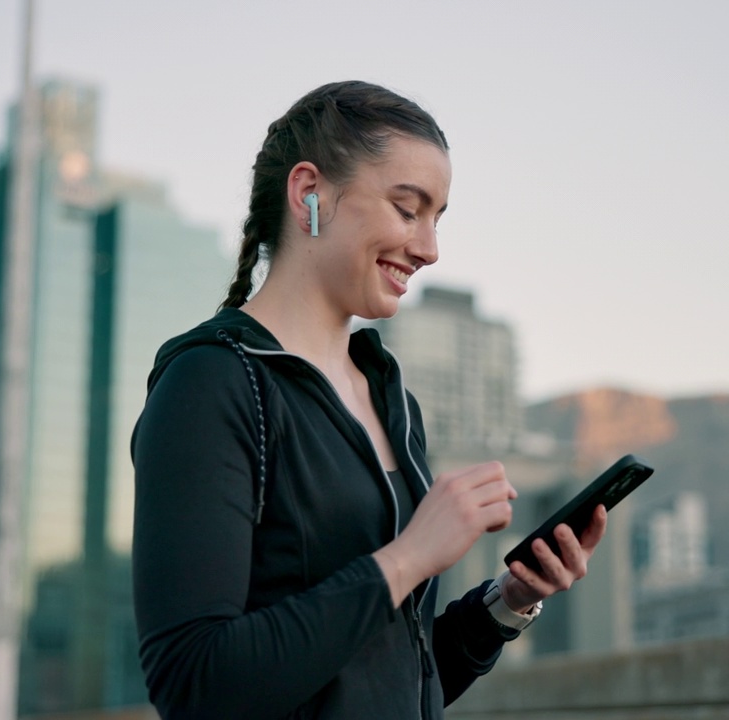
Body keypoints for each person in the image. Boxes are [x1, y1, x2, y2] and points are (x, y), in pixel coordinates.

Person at [131, 80, 608, 719]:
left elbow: (383, 678)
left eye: (438, 219)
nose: (430, 248)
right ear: (310, 195)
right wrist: (409, 557)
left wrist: (508, 600)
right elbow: (194, 682)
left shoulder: (390, 400)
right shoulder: (213, 382)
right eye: (407, 209)